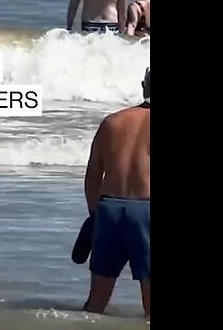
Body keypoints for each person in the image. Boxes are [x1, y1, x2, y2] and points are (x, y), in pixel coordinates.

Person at [82, 67, 150, 319]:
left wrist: (94, 215)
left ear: (144, 86)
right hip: (147, 211)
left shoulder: (112, 121)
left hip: (109, 210)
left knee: (96, 303)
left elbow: (92, 175)